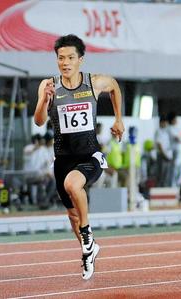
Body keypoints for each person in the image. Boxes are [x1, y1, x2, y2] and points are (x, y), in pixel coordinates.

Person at [34, 34, 124, 280]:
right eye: (61, 58)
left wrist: (118, 119)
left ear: (80, 60)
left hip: (89, 155)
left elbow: (114, 86)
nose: (65, 62)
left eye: (70, 57)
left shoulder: (93, 83)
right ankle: (89, 250)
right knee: (72, 214)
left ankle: (87, 235)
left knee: (73, 184)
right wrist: (44, 100)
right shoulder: (48, 85)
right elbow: (39, 121)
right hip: (62, 159)